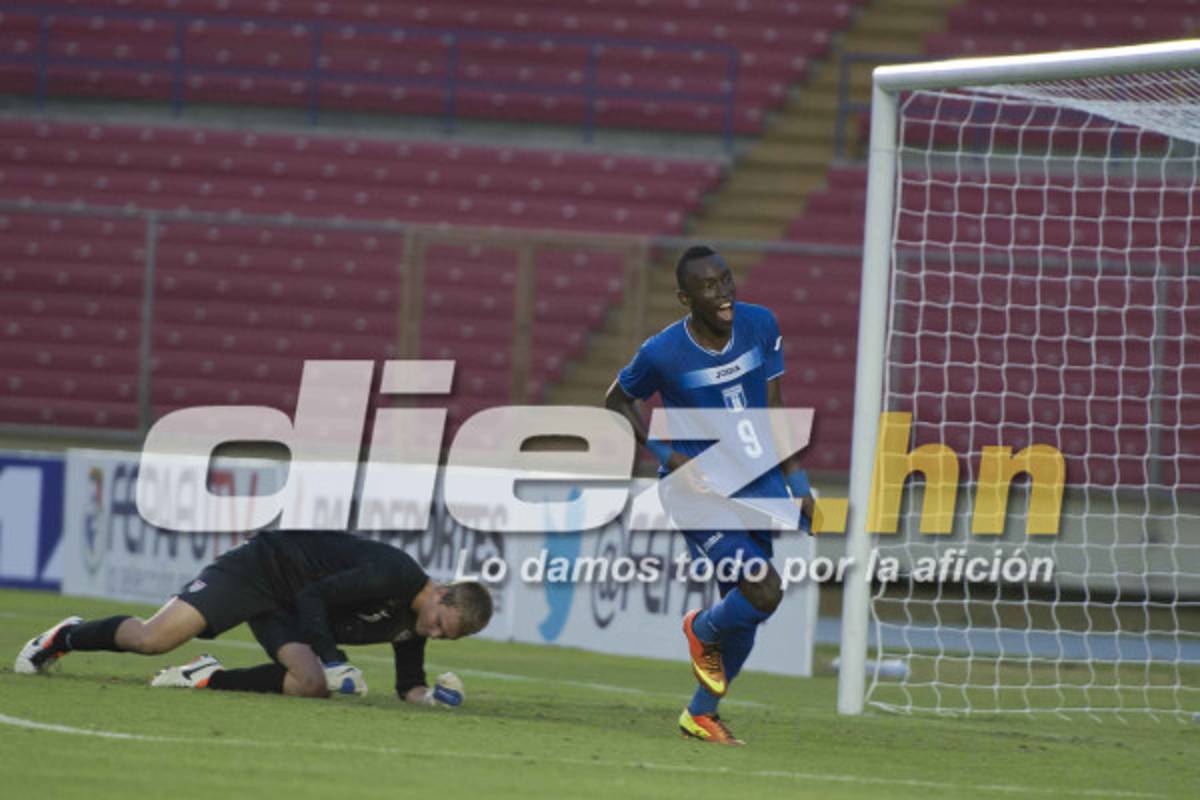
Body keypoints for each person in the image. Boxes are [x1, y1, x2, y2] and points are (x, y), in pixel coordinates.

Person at [605, 244, 814, 745]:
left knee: (748, 610)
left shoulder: (761, 324)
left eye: (726, 280)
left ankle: (700, 714)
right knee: (763, 588)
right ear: (684, 297)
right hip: (696, 492)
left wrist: (797, 482)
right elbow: (616, 400)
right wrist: (669, 457)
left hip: (756, 486)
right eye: (709, 286)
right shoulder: (662, 352)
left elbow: (775, 408)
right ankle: (700, 629)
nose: (723, 292)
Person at [14, 529, 492, 706]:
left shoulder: (414, 621)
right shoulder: (394, 574)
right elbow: (312, 595)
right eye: (438, 624)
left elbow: (407, 683)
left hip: (287, 606)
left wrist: (433, 697)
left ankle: (205, 678)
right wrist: (334, 657)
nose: (432, 633)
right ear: (443, 593)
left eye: (442, 637)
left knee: (310, 684)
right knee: (153, 639)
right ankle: (65, 637)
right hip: (261, 571)